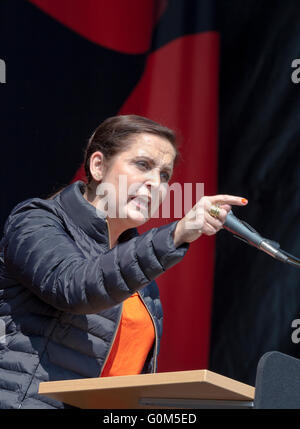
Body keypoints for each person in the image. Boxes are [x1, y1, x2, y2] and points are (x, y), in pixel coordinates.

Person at [0, 115, 248, 409]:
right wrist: (178, 233)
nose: (155, 183)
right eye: (143, 165)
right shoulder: (35, 220)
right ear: (98, 166)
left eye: (165, 175)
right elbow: (74, 286)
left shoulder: (143, 277)